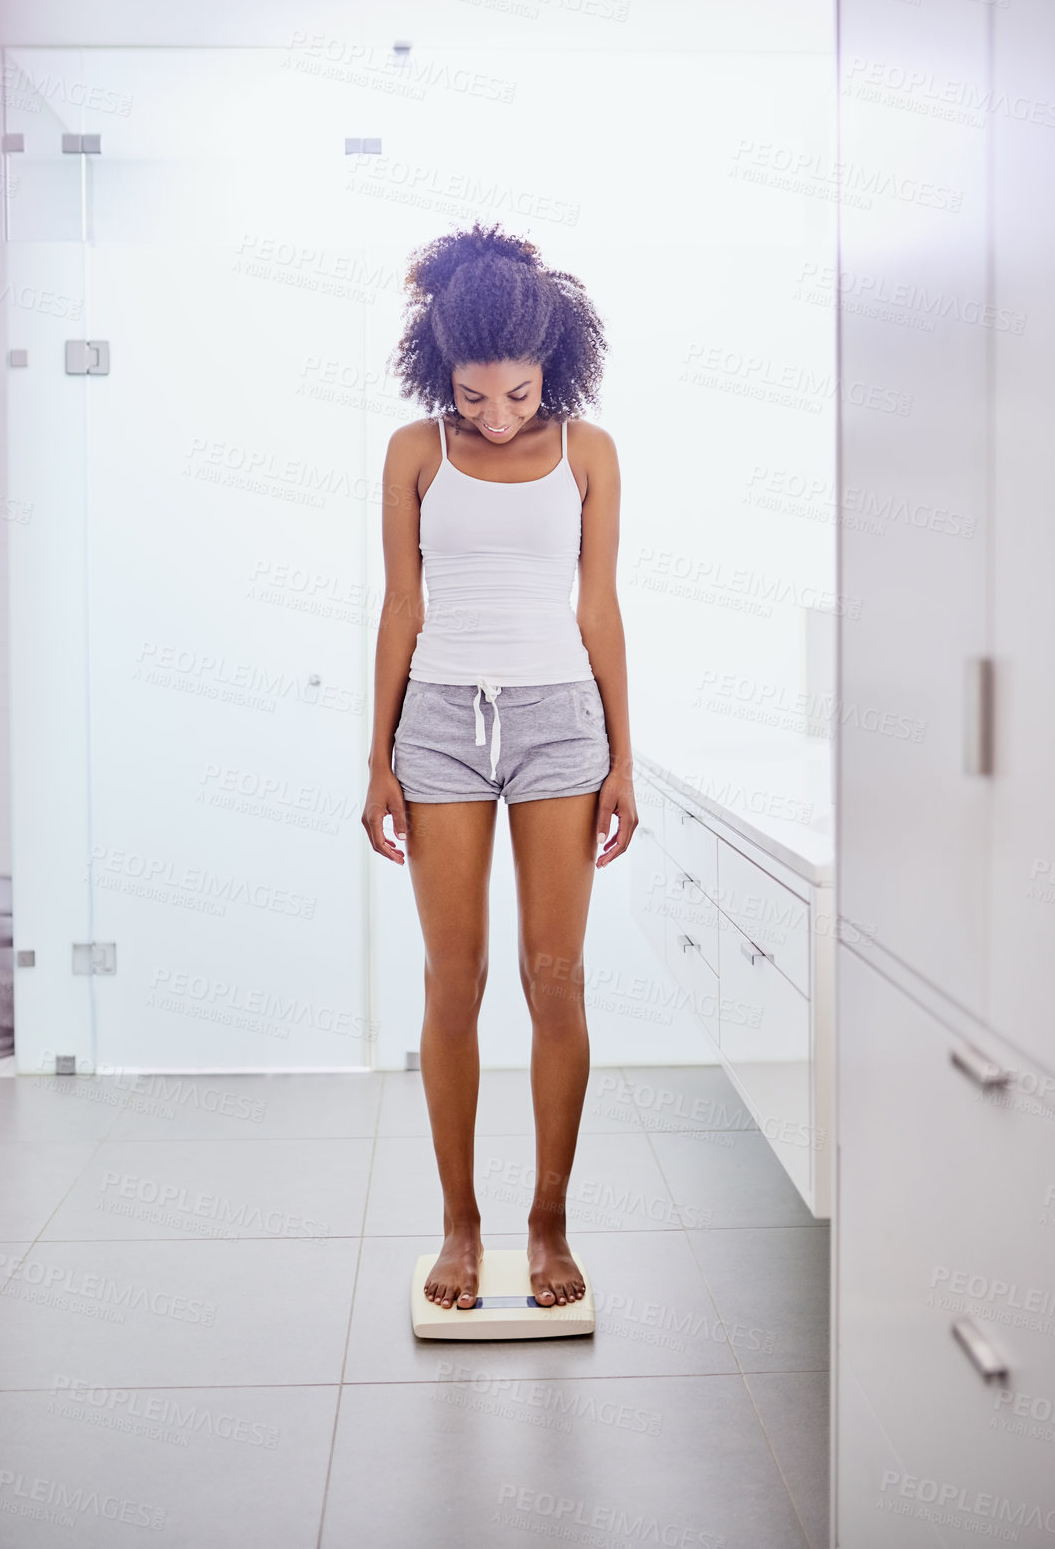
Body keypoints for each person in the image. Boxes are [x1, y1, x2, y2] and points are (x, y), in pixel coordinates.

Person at [361, 220, 638, 1313]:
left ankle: (549, 1221)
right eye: (474, 396)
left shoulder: (590, 454)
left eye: (517, 394)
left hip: (561, 723)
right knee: (453, 982)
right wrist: (376, 756)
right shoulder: (414, 451)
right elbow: (401, 606)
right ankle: (461, 1226)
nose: (495, 415)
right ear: (441, 370)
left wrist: (624, 756)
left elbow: (600, 607)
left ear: (553, 363)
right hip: (436, 724)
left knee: (554, 979)